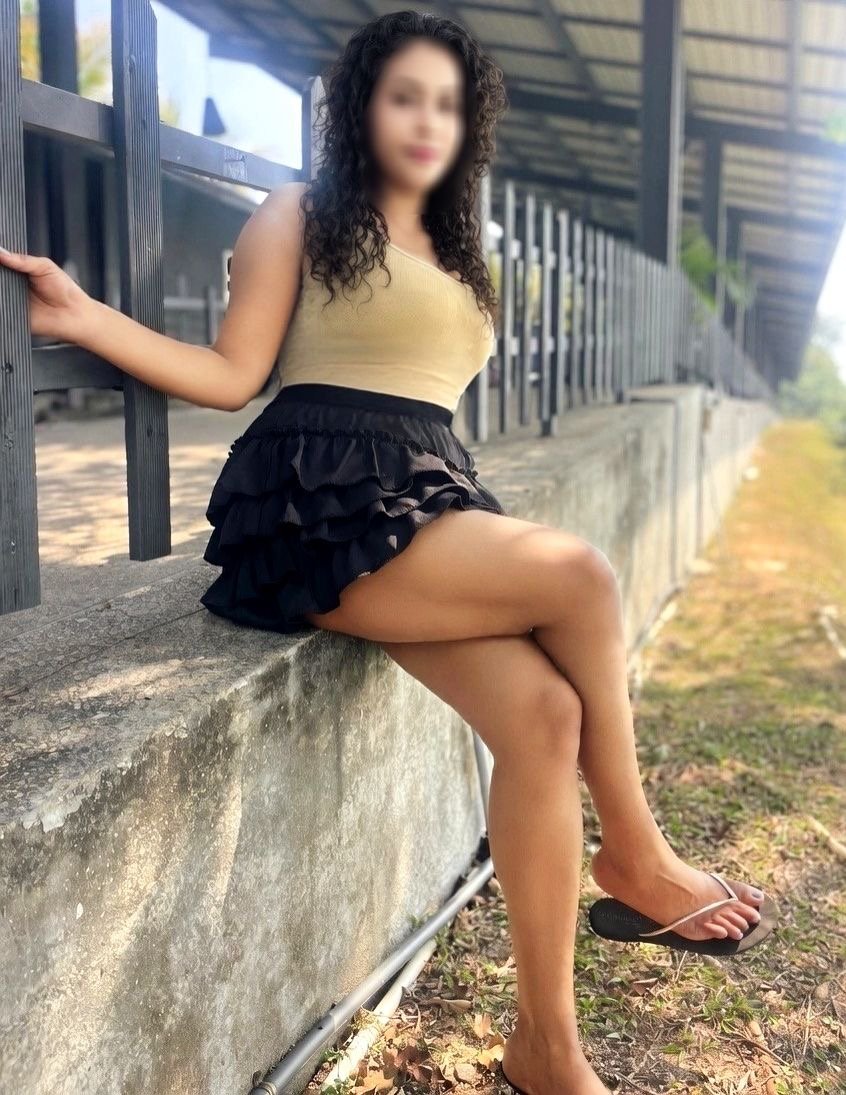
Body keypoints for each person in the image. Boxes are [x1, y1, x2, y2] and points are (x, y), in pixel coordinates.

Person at [1, 11, 776, 1094]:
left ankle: (546, 1048)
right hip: (321, 507)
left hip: (424, 494)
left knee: (546, 717)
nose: (426, 121)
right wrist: (85, 317)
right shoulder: (302, 214)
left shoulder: (460, 252)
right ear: (362, 105)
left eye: (448, 105)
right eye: (405, 95)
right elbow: (231, 373)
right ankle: (638, 853)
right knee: (581, 575)